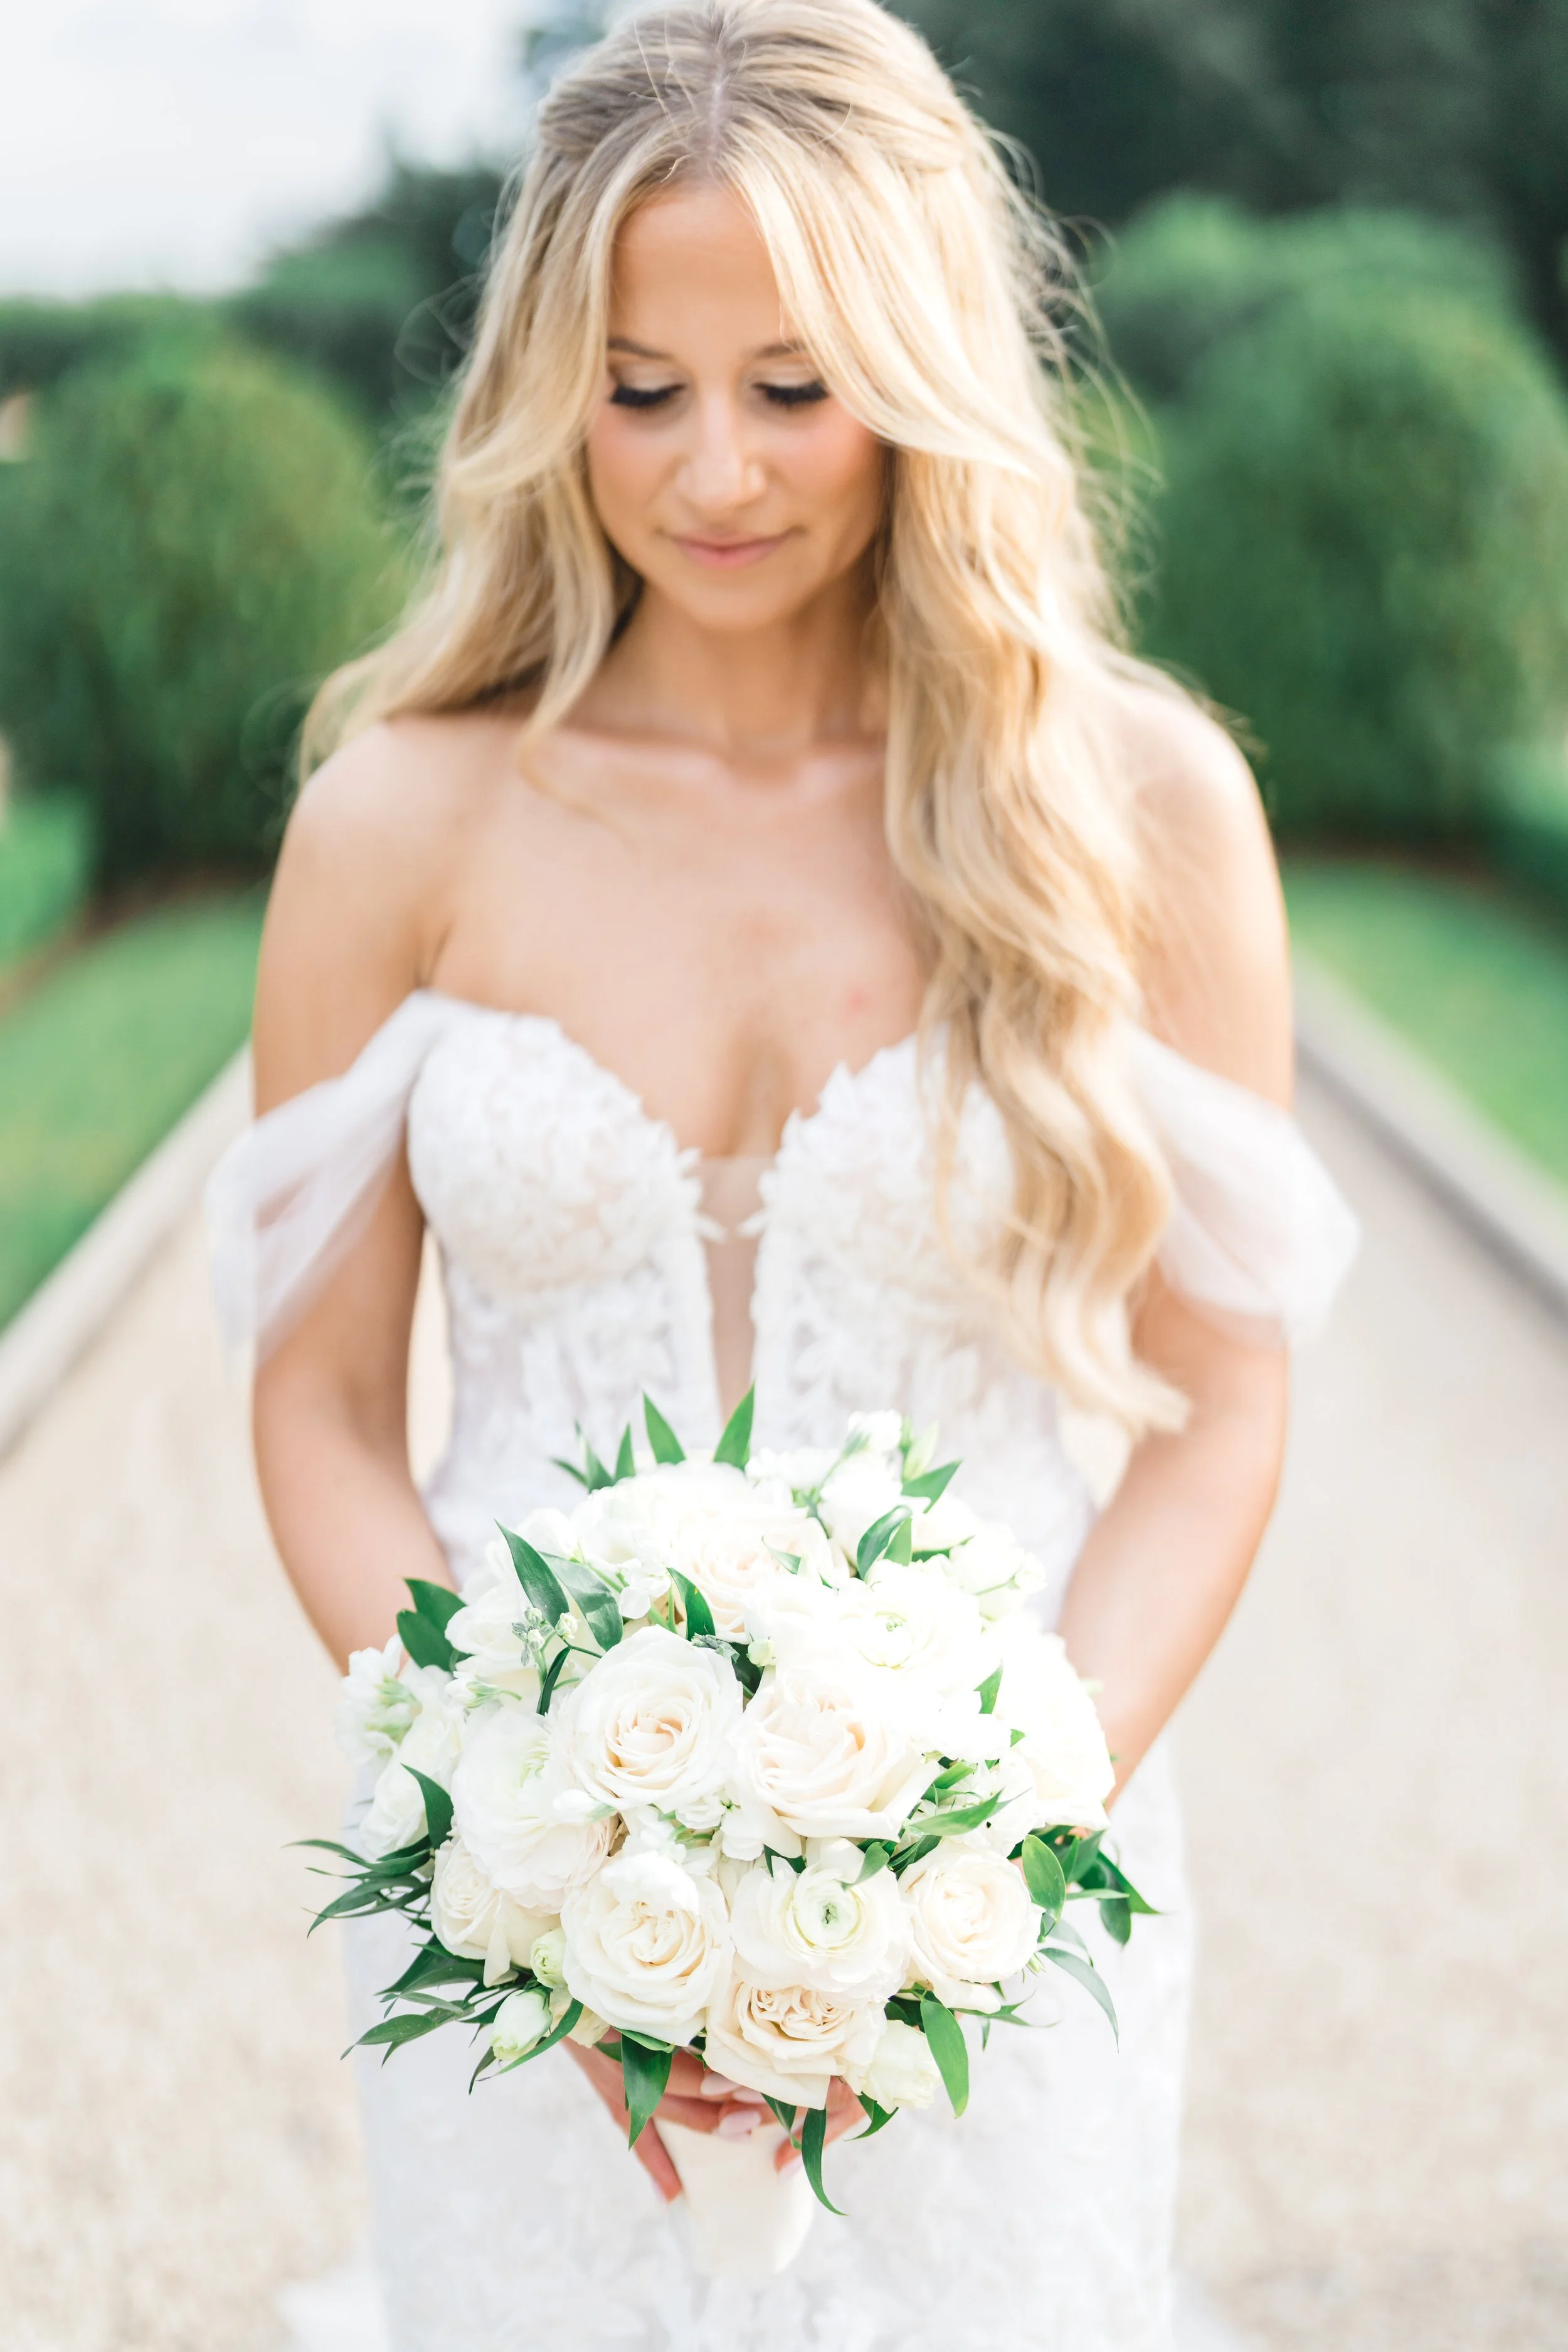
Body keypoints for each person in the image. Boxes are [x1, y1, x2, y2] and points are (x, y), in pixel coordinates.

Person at [208, 3, 1357, 2345]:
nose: (710, 467)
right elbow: (323, 1409)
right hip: (518, 1926)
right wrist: (519, 1827)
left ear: (922, 370)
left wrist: (982, 1845)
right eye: (639, 386)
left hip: (992, 1925)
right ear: (552, 387)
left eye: (791, 383)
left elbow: (1219, 1406)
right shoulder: (397, 822)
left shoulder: (1129, 813)